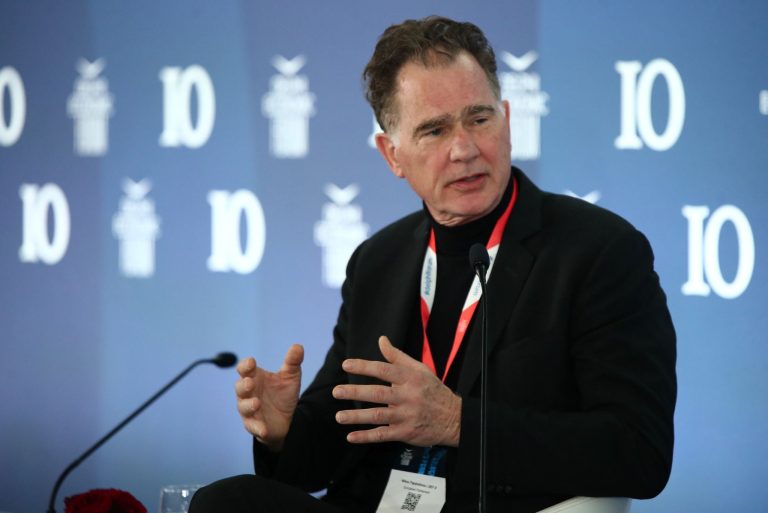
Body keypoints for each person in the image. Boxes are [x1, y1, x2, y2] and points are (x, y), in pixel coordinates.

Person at [190, 15, 676, 513]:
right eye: (435, 130)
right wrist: (284, 431)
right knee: (226, 502)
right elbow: (331, 449)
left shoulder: (598, 251)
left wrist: (458, 421)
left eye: (479, 119)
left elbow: (640, 450)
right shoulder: (378, 261)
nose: (464, 149)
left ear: (507, 120)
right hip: (372, 504)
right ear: (392, 155)